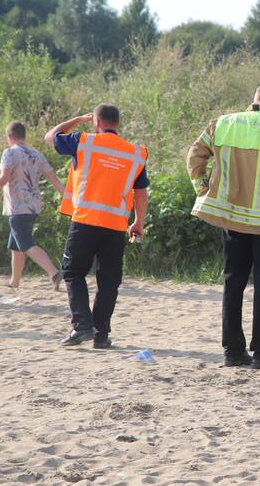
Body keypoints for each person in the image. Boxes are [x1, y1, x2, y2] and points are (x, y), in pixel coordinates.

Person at [187, 84, 260, 369]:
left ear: (254, 101)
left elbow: (194, 155)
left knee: (233, 282)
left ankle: (232, 351)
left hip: (231, 215)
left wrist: (201, 186)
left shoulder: (223, 123)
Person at [45, 105, 149, 348]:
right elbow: (141, 193)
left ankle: (82, 327)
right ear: (118, 123)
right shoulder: (135, 153)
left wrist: (78, 119)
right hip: (115, 225)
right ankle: (101, 335)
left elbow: (50, 136)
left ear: (96, 122)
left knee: (72, 272)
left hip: (85, 222)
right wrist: (139, 221)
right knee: (109, 281)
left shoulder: (83, 141)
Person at [0, 121, 66, 290]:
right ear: (24, 135)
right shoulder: (36, 154)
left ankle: (54, 273)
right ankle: (14, 281)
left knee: (26, 244)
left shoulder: (9, 153)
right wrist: (67, 197)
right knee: (16, 245)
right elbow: (53, 178)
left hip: (18, 207)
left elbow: (4, 178)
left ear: (9, 136)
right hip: (33, 206)